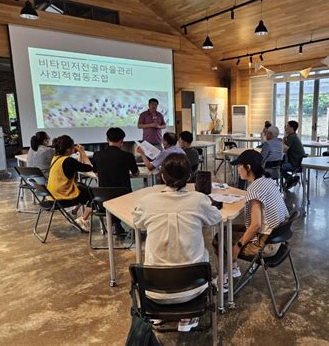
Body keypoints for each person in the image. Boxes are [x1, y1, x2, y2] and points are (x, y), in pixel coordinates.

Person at [132, 153, 222, 332]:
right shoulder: (199, 200)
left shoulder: (148, 201)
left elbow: (137, 223)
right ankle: (188, 315)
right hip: (194, 288)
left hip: (153, 292)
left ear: (162, 176)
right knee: (203, 254)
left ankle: (158, 316)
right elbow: (215, 218)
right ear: (189, 176)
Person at [215, 150, 289, 290]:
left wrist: (238, 245)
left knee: (220, 238)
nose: (238, 169)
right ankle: (234, 267)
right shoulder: (268, 181)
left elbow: (255, 225)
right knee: (227, 231)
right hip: (278, 237)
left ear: (248, 167)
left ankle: (225, 279)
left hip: (266, 244)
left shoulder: (254, 190)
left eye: (240, 166)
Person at [92, 128, 139, 234]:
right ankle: (125, 227)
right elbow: (136, 173)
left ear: (107, 139)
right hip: (124, 198)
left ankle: (114, 224)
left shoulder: (97, 155)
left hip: (103, 199)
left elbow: (96, 173)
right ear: (122, 141)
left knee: (111, 195)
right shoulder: (128, 156)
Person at [47, 135, 93, 232]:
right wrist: (82, 152)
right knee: (91, 194)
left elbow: (78, 166)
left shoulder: (56, 158)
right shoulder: (68, 160)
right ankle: (83, 219)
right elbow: (89, 167)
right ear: (68, 149)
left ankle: (74, 211)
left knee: (83, 188)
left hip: (52, 195)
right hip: (62, 197)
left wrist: (79, 154)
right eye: (73, 147)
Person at [281, 120, 305, 189]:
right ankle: (290, 179)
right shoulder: (293, 136)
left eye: (287, 126)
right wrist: (285, 137)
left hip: (295, 164)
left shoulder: (291, 137)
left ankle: (290, 179)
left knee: (278, 168)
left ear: (292, 128)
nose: (285, 127)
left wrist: (283, 137)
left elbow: (284, 149)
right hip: (298, 162)